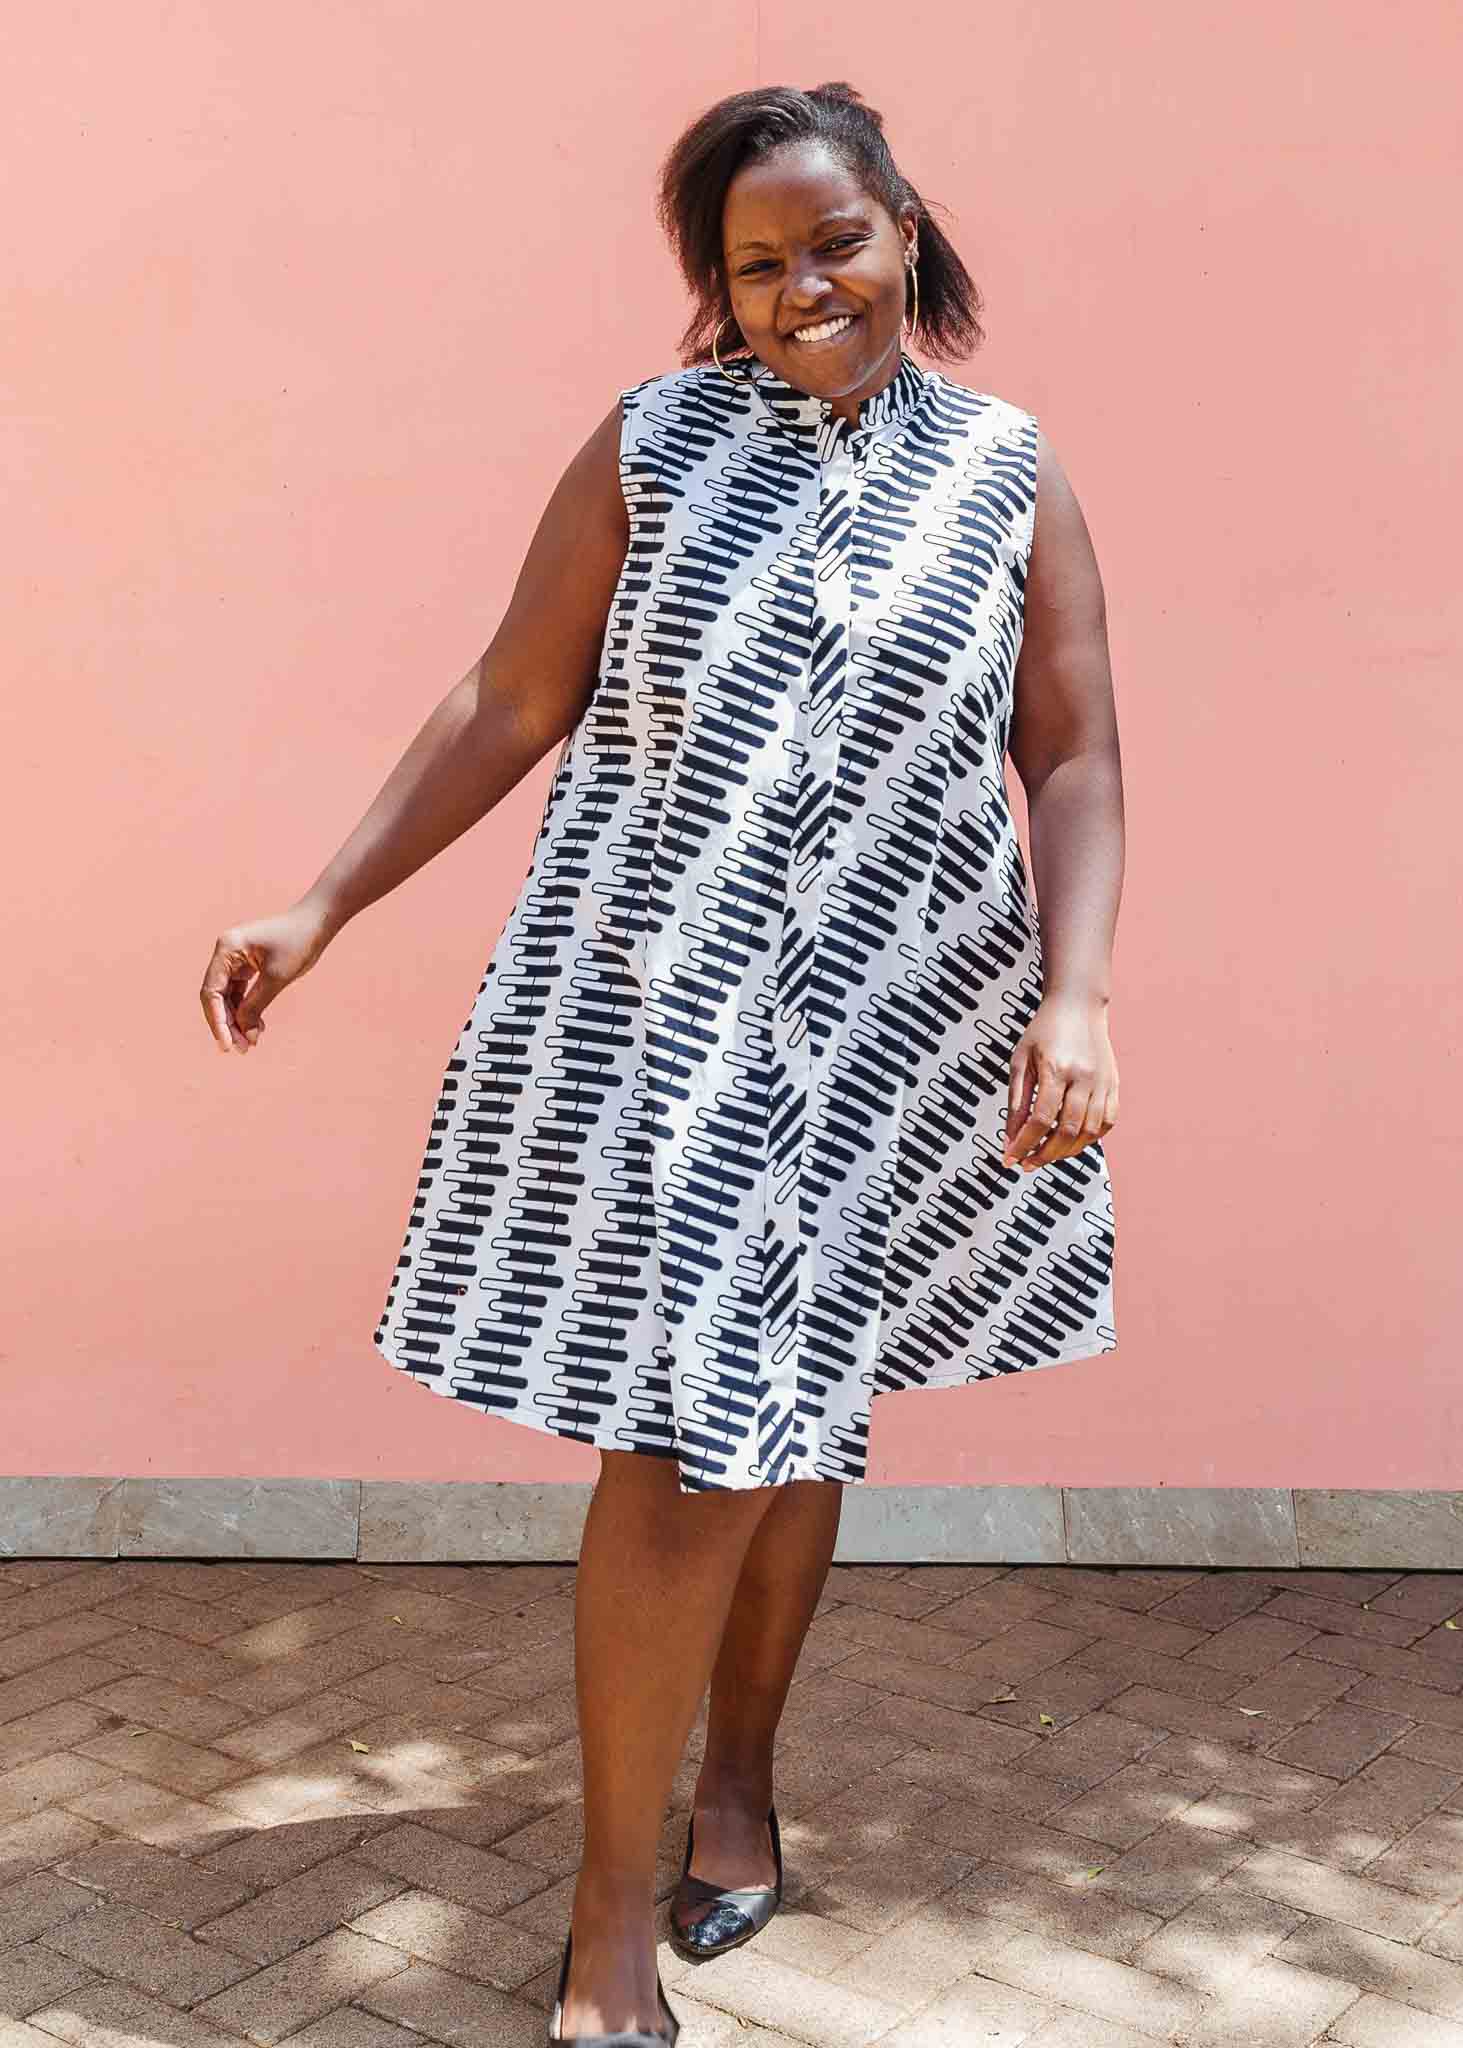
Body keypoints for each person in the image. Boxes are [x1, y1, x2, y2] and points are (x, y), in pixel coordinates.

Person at [200, 78, 1124, 2048]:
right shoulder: (654, 445)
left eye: (836, 241)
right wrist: (324, 901)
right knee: (697, 1434)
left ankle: (737, 1784)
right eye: (757, 263)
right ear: (716, 286)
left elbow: (1075, 748)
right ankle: (608, 1925)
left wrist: (1083, 988)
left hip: (907, 1016)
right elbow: (512, 692)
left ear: (901, 222)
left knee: (804, 1417)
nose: (807, 287)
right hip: (665, 1017)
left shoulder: (1009, 469)